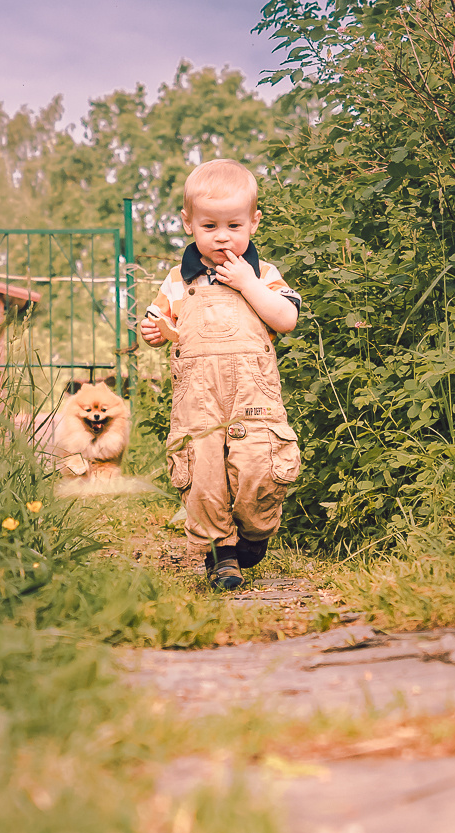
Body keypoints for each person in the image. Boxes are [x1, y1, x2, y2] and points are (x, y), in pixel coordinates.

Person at [139, 159, 303, 589]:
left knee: (258, 465)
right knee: (204, 472)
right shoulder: (178, 280)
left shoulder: (263, 274)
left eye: (234, 225)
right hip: (198, 398)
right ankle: (221, 555)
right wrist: (154, 331)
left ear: (254, 222)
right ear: (188, 224)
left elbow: (286, 319)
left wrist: (247, 284)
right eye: (209, 226)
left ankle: (253, 532)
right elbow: (161, 322)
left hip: (254, 394)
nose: (222, 236)